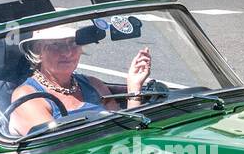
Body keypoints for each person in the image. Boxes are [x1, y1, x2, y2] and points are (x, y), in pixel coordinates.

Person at [9, 24, 152, 135]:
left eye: (73, 43)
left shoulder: (94, 84)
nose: (67, 52)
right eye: (56, 45)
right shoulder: (27, 96)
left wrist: (134, 87)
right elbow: (58, 147)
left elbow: (128, 129)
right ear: (38, 51)